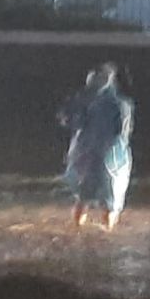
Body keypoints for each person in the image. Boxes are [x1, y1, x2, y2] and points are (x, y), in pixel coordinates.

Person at [57, 63, 134, 230]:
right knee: (108, 199)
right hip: (109, 154)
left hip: (91, 152)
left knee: (85, 196)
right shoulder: (122, 104)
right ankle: (106, 232)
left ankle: (78, 231)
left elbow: (72, 122)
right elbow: (123, 132)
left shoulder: (87, 100)